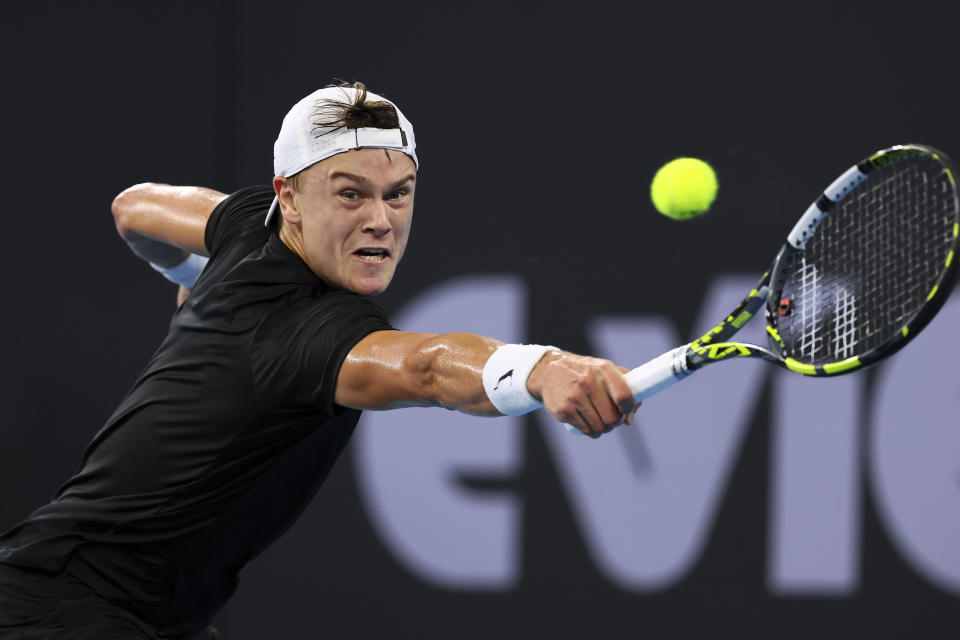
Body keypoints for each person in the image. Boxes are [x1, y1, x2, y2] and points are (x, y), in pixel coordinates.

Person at [0, 82, 638, 639]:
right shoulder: (305, 331)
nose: (381, 221)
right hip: (59, 610)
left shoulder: (249, 226)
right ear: (291, 197)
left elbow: (132, 208)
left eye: (399, 193)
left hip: (111, 606)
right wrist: (543, 367)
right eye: (351, 195)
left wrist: (193, 273)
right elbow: (427, 368)